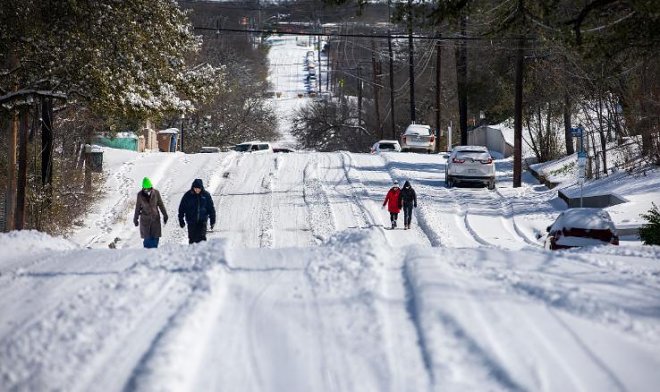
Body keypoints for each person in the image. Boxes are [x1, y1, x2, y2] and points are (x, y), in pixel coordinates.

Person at [133, 177, 168, 248]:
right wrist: (135, 219)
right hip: (145, 221)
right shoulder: (140, 195)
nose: (148, 190)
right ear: (143, 188)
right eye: (146, 189)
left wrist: (165, 215)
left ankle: (154, 257)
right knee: (147, 242)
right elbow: (137, 208)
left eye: (149, 188)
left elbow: (160, 204)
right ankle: (147, 256)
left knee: (155, 241)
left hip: (155, 220)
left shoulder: (156, 193)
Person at [178, 178, 216, 244]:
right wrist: (181, 220)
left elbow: (211, 209)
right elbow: (181, 208)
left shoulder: (206, 195)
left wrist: (212, 221)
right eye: (195, 188)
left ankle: (202, 253)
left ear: (201, 188)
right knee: (192, 239)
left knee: (202, 238)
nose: (196, 190)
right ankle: (192, 253)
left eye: (198, 188)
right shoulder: (188, 195)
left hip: (202, 221)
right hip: (191, 221)